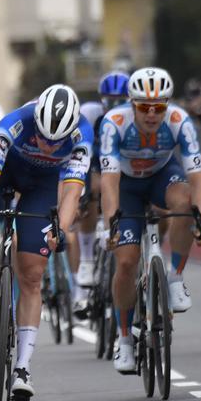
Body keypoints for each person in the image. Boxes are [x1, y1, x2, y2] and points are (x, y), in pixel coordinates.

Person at [0, 84, 93, 401]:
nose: (46, 144)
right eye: (42, 135)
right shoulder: (15, 122)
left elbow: (72, 191)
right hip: (6, 169)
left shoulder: (82, 135)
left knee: (31, 274)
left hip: (44, 185)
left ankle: (23, 368)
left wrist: (62, 227)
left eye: (54, 140)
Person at [99, 68, 201, 373]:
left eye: (158, 107)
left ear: (168, 105)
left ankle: (174, 277)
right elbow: (108, 183)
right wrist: (110, 222)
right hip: (126, 185)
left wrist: (200, 217)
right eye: (144, 107)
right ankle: (123, 340)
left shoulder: (179, 121)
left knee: (184, 203)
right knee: (126, 262)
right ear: (131, 104)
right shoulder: (114, 123)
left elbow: (198, 177)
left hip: (163, 175)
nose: (151, 114)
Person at [72, 71, 131, 307]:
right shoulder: (89, 113)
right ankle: (86, 258)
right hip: (93, 160)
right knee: (92, 196)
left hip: (123, 163)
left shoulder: (134, 114)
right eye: (109, 100)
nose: (115, 105)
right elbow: (81, 150)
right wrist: (85, 190)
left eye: (120, 100)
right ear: (101, 99)